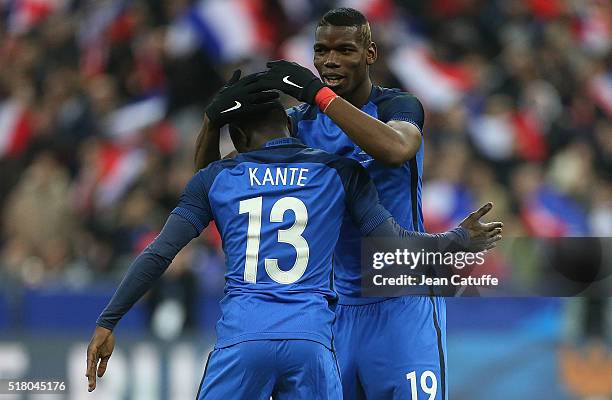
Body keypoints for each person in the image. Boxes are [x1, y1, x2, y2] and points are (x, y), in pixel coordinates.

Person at [88, 74, 502, 399]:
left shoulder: (221, 178)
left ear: (240, 141)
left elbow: (159, 252)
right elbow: (393, 242)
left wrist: (108, 321)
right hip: (313, 340)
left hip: (243, 338)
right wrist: (457, 240)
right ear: (290, 125)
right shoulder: (339, 173)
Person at [193, 7, 453, 400]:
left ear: (370, 53)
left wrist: (319, 93)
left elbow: (397, 149)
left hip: (404, 303)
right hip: (336, 310)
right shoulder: (298, 125)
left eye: (345, 50)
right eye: (321, 51)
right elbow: (213, 185)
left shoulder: (397, 107)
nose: (330, 61)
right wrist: (212, 121)